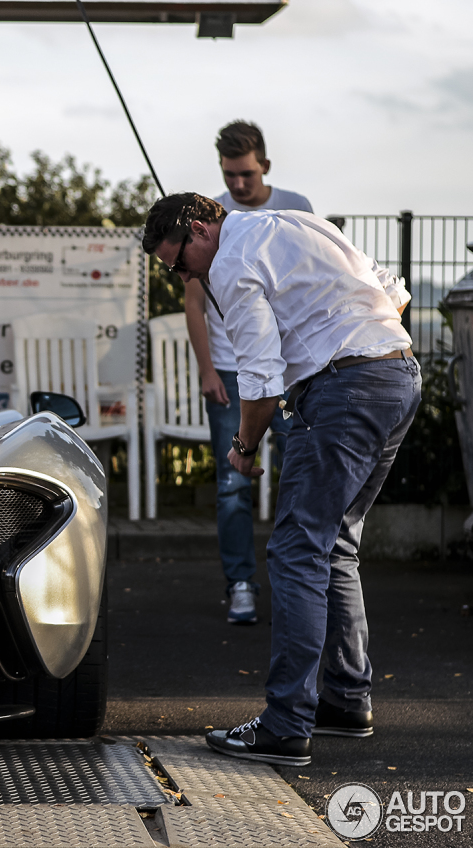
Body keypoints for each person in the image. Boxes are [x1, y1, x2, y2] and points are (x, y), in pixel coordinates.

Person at [143, 193, 418, 766]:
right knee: (335, 543)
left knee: (296, 552)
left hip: (344, 390)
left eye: (181, 262)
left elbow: (261, 378)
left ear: (199, 228)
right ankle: (345, 699)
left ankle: (286, 725)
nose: (185, 275)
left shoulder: (232, 263)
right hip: (397, 376)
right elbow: (392, 289)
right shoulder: (296, 222)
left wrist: (244, 449)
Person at [186, 121, 311, 625]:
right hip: (231, 373)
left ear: (265, 166)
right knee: (233, 485)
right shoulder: (208, 215)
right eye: (229, 175)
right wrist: (206, 371)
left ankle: (295, 585)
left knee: (298, 478)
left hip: (292, 370)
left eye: (245, 174)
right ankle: (240, 584)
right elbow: (194, 302)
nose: (237, 185)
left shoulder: (296, 206)